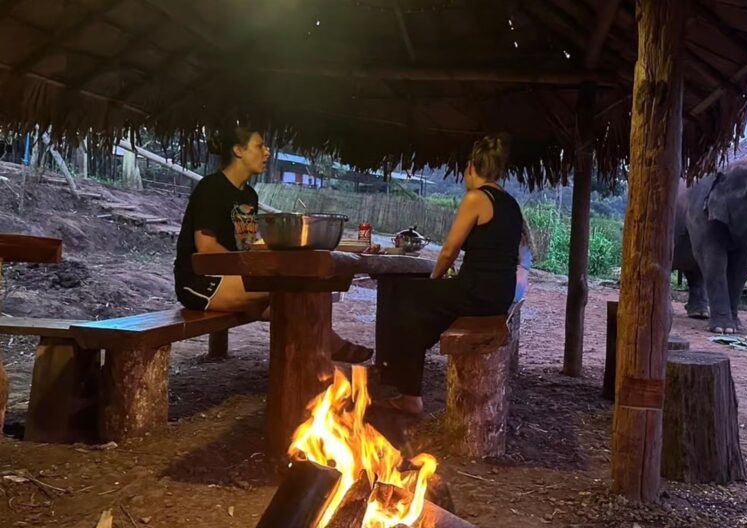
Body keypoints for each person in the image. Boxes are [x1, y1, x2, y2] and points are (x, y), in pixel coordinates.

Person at [173, 125, 372, 363]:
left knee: (295, 306)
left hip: (233, 278)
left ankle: (321, 355)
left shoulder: (249, 196)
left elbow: (246, 245)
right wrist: (250, 270)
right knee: (291, 290)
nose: (267, 152)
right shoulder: (211, 188)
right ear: (238, 150)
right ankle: (330, 350)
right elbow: (206, 248)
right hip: (199, 282)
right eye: (259, 146)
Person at [376, 134, 524, 416]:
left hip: (477, 292)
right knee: (420, 301)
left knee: (405, 293)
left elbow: (448, 251)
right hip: (499, 292)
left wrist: (433, 281)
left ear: (470, 168)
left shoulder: (476, 197)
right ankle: (408, 368)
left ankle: (405, 388)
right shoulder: (511, 204)